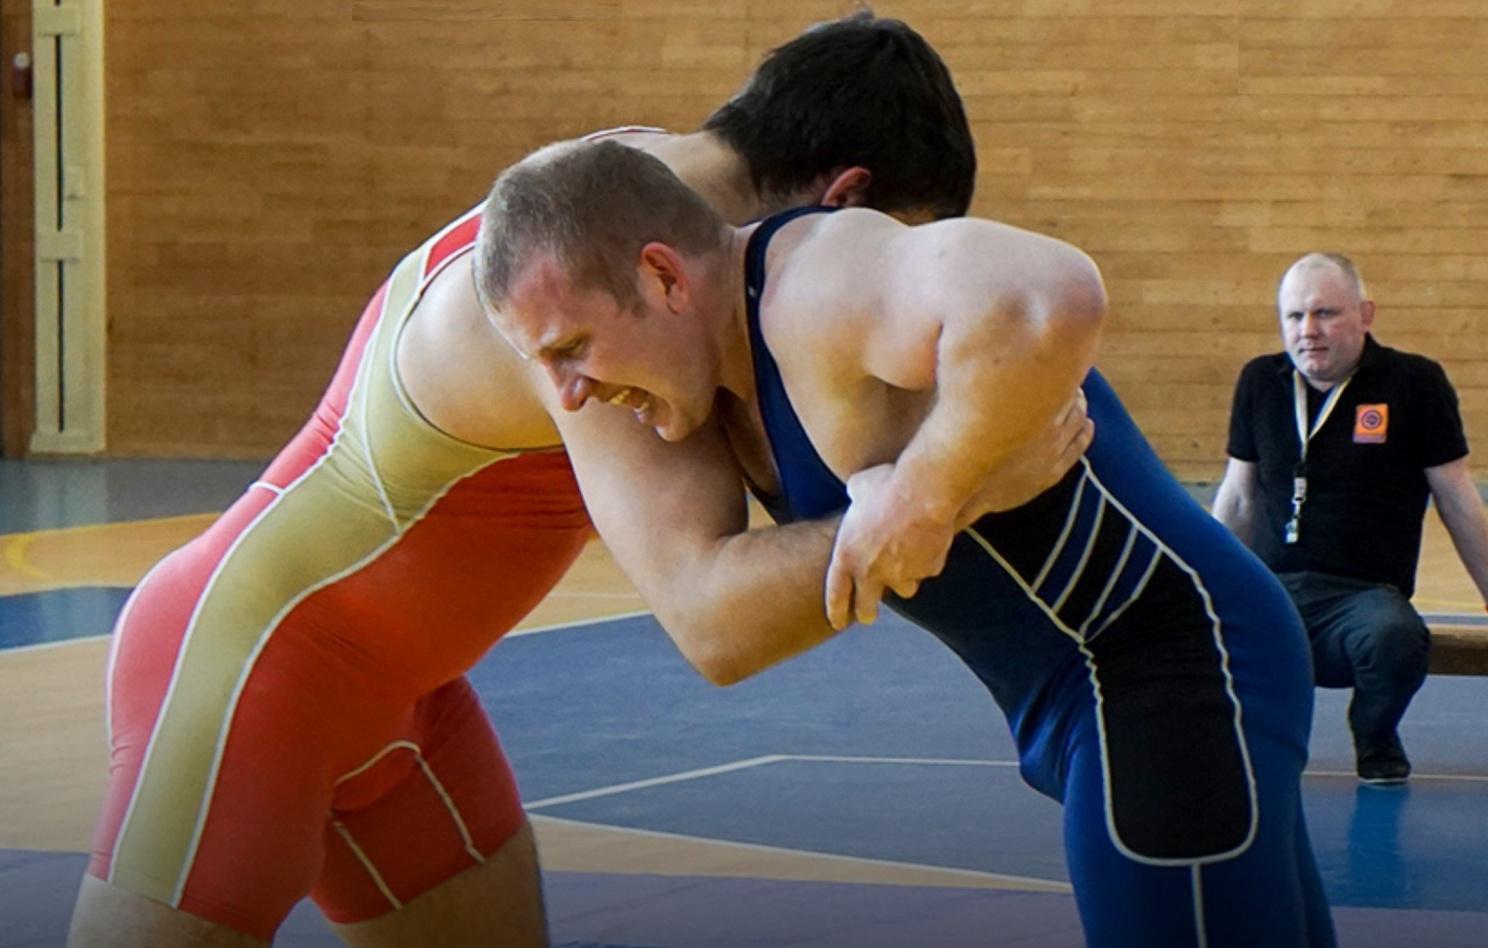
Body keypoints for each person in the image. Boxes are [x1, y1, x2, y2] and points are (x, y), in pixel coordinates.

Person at [66, 13, 995, 947]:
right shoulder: (615, 276)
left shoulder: (641, 195)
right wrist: (955, 479)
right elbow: (715, 621)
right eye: (883, 253)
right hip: (247, 670)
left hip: (406, 702)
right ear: (845, 200)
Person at [474, 139, 1338, 948]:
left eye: (572, 348)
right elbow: (717, 632)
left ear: (662, 276)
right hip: (1106, 686)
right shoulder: (721, 372)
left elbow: (1053, 293)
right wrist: (950, 492)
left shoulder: (813, 285)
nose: (569, 396)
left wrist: (924, 494)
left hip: (1171, 669)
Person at [1211, 252, 1488, 784]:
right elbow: (1238, 500)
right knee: (1178, 638)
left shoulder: (1414, 384)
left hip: (1360, 601)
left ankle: (1374, 731)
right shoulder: (1260, 382)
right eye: (1293, 317)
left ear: (1366, 314)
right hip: (1270, 593)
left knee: (1397, 641)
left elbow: (1457, 501)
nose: (1308, 331)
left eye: (1325, 314)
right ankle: (1247, 746)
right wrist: (1196, 587)